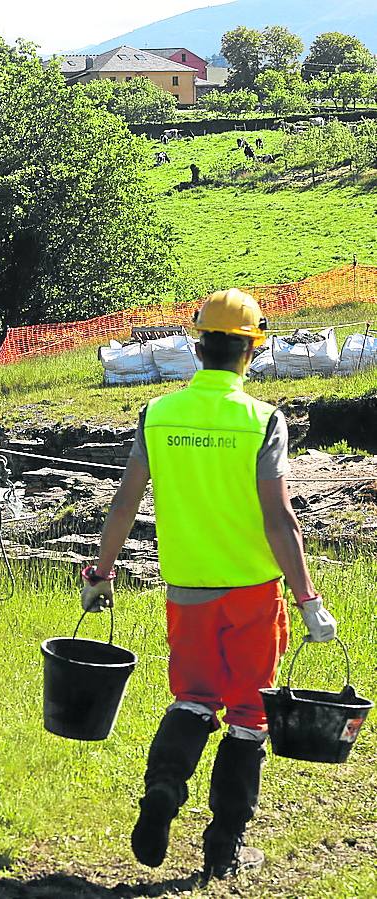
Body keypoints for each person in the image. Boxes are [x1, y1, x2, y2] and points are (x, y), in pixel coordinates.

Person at [80, 289, 337, 882]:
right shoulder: (262, 420)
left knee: (193, 701)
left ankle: (163, 794)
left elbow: (124, 504)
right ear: (252, 350)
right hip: (251, 592)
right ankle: (224, 847)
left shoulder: (160, 414)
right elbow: (280, 520)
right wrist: (308, 601)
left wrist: (101, 573)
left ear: (198, 346)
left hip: (186, 589)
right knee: (249, 717)